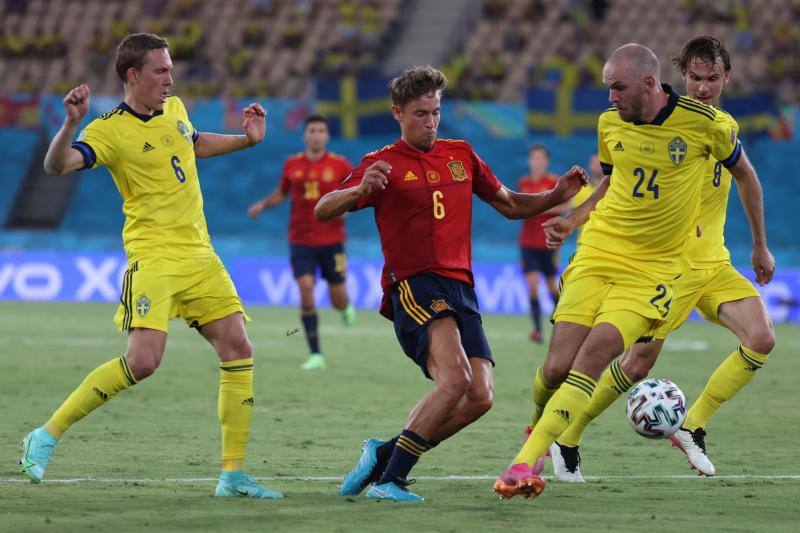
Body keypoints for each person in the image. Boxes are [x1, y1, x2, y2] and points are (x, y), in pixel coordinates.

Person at [493, 42, 762, 500]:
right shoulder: (612, 123)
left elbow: (743, 175)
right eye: (695, 79)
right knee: (585, 365)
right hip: (618, 253)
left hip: (683, 264)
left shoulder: (715, 129)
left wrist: (759, 245)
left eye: (712, 79)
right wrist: (575, 217)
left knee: (757, 338)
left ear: (726, 80)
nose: (703, 87)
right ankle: (556, 433)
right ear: (678, 77)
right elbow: (616, 180)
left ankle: (534, 458)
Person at [19, 33, 282, 499]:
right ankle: (45, 435)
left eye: (171, 68)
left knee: (238, 347)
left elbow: (194, 144)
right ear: (133, 76)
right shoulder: (107, 129)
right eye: (160, 71)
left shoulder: (176, 110)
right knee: (143, 363)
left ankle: (233, 473)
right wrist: (70, 125)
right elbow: (56, 166)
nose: (170, 78)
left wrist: (247, 139)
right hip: (154, 257)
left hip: (201, 255)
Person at [314, 65, 587, 502]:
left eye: (436, 112)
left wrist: (556, 195)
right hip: (415, 286)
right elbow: (323, 209)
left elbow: (511, 204)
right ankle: (391, 481)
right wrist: (357, 190)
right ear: (397, 113)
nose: (431, 121)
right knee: (455, 379)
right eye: (421, 113)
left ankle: (383, 454)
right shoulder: (379, 164)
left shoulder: (461, 154)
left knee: (480, 396)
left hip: (462, 288)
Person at [247, 114, 356, 370]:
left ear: (327, 136)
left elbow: (355, 193)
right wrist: (263, 204)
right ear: (305, 135)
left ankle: (345, 307)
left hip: (332, 240)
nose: (316, 135)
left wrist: (349, 207)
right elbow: (282, 193)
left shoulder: (340, 165)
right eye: (312, 131)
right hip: (301, 240)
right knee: (306, 292)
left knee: (338, 297)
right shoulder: (292, 164)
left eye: (321, 131)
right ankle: (316, 354)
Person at [518, 145, 568, 343]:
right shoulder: (524, 183)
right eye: (534, 158)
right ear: (530, 161)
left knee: (551, 287)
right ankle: (537, 330)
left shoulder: (554, 182)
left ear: (546, 161)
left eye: (540, 158)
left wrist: (540, 209)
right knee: (531, 285)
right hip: (528, 242)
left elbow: (567, 206)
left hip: (549, 242)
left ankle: (562, 327)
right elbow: (522, 207)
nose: (537, 162)